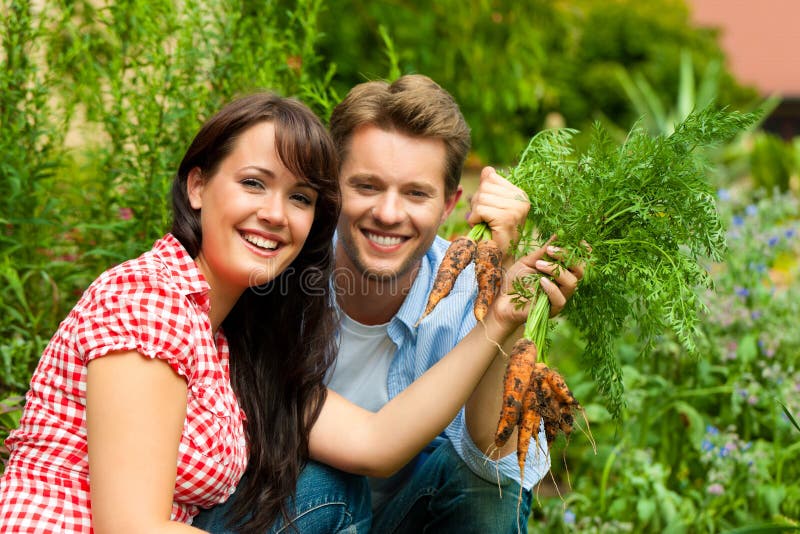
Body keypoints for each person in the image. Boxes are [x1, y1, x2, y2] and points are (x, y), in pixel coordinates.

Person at [0, 90, 563, 533]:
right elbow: (132, 528)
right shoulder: (154, 301)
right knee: (325, 489)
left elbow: (377, 443)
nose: (275, 214)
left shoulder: (229, 328)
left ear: (448, 205)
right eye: (252, 184)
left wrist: (500, 319)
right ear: (197, 185)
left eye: (298, 197)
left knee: (342, 487)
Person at [194, 76, 583, 533]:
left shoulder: (467, 293)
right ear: (332, 190)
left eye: (416, 193)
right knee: (320, 480)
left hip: (407, 518)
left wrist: (506, 314)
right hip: (287, 516)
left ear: (449, 206)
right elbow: (370, 446)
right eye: (367, 186)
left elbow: (495, 462)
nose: (389, 213)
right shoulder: (276, 272)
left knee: (486, 488)